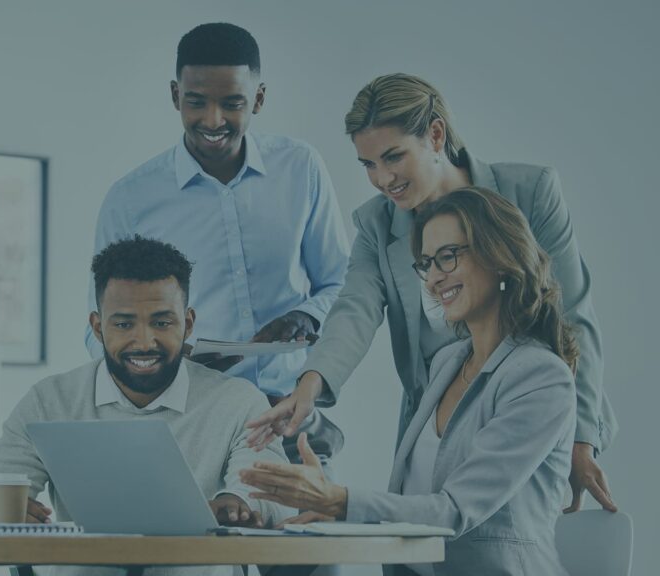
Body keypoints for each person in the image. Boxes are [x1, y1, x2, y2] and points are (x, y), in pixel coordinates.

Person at [247, 73, 616, 513]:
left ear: (436, 135)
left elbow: (573, 315)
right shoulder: (377, 224)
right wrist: (308, 388)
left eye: (393, 157)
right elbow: (354, 310)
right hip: (436, 418)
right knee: (418, 537)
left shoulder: (529, 193)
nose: (383, 179)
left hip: (527, 410)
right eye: (367, 164)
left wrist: (580, 439)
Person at [243, 187, 578, 575]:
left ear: (499, 256)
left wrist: (341, 500)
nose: (434, 278)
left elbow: (453, 510)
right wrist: (339, 515)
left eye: (448, 257)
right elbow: (415, 503)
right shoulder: (448, 363)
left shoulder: (540, 377)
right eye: (426, 264)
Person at [87, 22, 350, 461]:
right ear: (175, 96)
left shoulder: (301, 169)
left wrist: (307, 314)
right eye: (196, 102)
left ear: (259, 99)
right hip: (190, 422)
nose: (213, 121)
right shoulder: (131, 198)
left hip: (289, 416)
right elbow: (97, 325)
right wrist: (167, 359)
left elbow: (342, 284)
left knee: (309, 529)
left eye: (232, 103)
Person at [0, 236, 292, 576]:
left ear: (187, 324)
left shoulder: (238, 400)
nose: (144, 342)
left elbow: (275, 496)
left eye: (162, 322)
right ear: (98, 327)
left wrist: (240, 504)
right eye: (123, 324)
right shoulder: (50, 399)